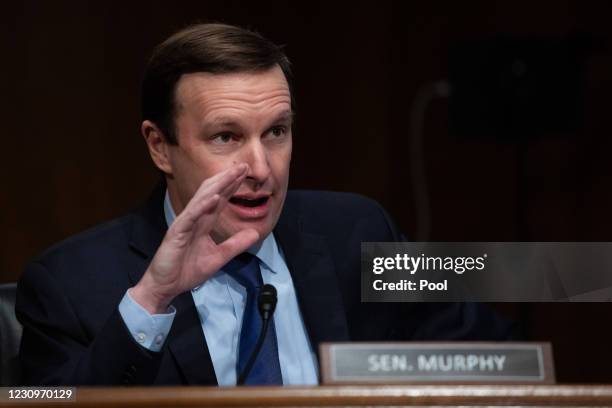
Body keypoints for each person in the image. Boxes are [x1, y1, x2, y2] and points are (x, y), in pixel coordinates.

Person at [16, 23, 513, 386]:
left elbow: (500, 362)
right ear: (159, 146)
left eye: (276, 131)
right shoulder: (69, 286)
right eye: (226, 136)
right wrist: (153, 299)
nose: (261, 168)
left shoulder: (357, 231)